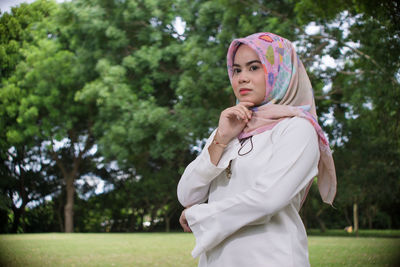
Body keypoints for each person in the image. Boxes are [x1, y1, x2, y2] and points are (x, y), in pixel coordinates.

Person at [177, 32, 337, 267]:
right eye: (236, 70)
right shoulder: (229, 127)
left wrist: (198, 216)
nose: (242, 78)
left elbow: (267, 199)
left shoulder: (297, 129)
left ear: (280, 72)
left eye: (254, 67)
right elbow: (187, 194)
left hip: (271, 258)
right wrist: (220, 139)